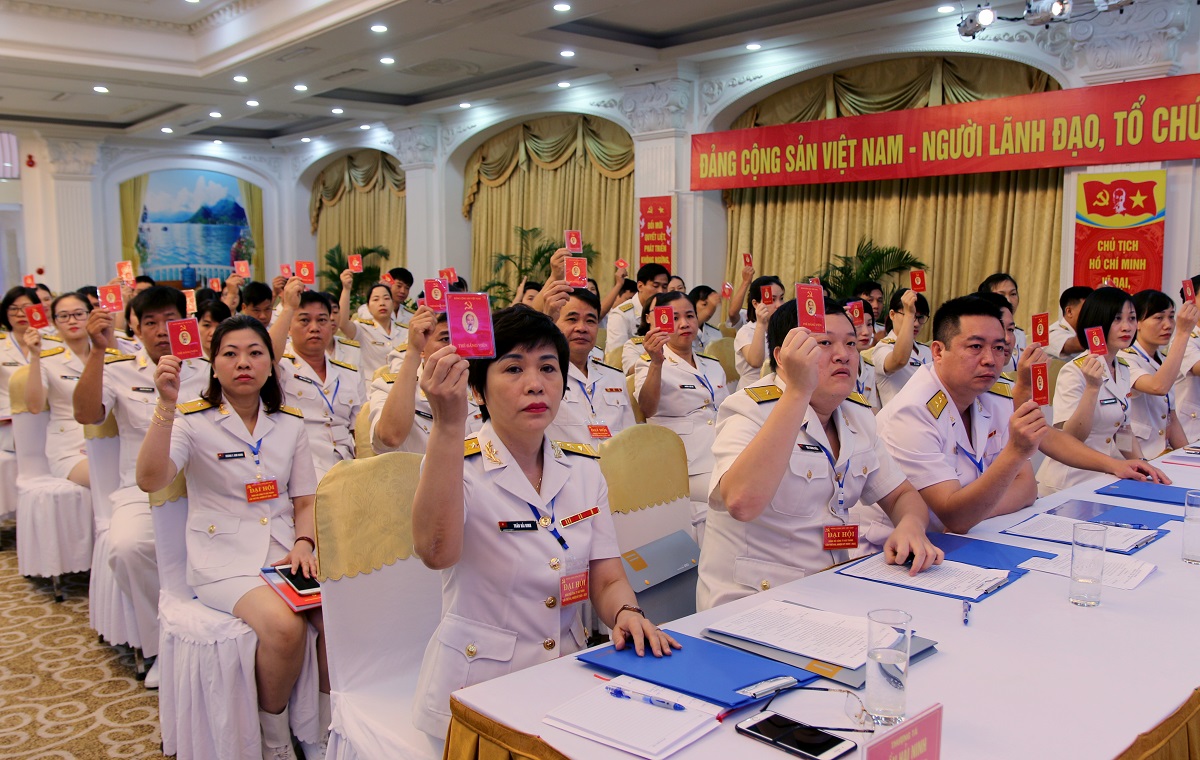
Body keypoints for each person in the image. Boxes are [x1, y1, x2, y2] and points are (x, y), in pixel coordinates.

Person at [410, 305, 679, 739]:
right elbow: (436, 553)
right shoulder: (455, 463)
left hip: (564, 674)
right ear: (478, 389)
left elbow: (607, 577)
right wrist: (447, 424)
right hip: (478, 690)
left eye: (549, 368)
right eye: (513, 368)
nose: (535, 383)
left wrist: (626, 612)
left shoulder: (584, 468)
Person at [135, 315, 328, 760]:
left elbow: (305, 500)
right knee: (284, 629)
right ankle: (274, 736)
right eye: (230, 353)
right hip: (223, 559)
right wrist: (165, 405)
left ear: (270, 365)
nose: (244, 362)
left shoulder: (289, 422)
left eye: (255, 353)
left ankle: (319, 727)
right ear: (213, 364)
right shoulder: (191, 420)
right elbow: (150, 479)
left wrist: (304, 543)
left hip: (283, 552)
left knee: (337, 619)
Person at [698, 299, 942, 610]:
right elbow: (741, 503)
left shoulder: (856, 414)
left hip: (830, 588)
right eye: (824, 343)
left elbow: (901, 496)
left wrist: (910, 526)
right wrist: (798, 391)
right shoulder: (749, 409)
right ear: (783, 357)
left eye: (851, 343)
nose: (844, 355)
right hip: (753, 601)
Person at [873, 296, 1167, 535]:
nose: (990, 359)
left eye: (999, 348)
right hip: (904, 552)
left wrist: (1116, 465)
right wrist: (1014, 456)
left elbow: (1037, 462)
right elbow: (956, 516)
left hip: (974, 534)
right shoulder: (913, 412)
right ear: (938, 351)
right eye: (975, 347)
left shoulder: (993, 392)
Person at [73, 286, 209, 689]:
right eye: (150, 322)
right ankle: (161, 644)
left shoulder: (208, 368)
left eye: (170, 319)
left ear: (185, 321)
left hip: (205, 484)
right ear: (135, 328)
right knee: (127, 548)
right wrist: (97, 351)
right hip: (142, 490)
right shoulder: (117, 368)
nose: (162, 330)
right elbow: (86, 413)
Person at [632, 292, 729, 539]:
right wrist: (656, 363)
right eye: (674, 318)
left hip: (721, 452)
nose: (685, 324)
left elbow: (725, 411)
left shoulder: (712, 364)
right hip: (685, 463)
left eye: (690, 316)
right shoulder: (650, 363)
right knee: (736, 492)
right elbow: (647, 408)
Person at [1037, 286, 1144, 492]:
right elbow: (1071, 438)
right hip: (1070, 480)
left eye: (1131, 318)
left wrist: (1143, 465)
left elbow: (1122, 430)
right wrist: (1092, 388)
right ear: (1098, 321)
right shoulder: (1074, 371)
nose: (1127, 327)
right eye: (1117, 319)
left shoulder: (1122, 368)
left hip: (1104, 476)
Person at [271, 282, 366, 480]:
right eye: (304, 321)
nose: (314, 328)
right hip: (299, 470)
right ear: (289, 327)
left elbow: (360, 429)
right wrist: (288, 307)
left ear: (331, 326)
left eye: (322, 320)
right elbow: (265, 357)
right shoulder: (281, 368)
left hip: (346, 468)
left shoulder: (348, 373)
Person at [368, 308, 485, 454]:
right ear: (422, 348)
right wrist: (413, 352)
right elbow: (390, 437)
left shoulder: (479, 387)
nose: (455, 347)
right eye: (445, 339)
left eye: (462, 340)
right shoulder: (389, 388)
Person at [23, 292, 95, 487]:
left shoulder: (108, 353)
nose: (72, 321)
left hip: (109, 438)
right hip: (70, 446)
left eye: (79, 314)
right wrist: (35, 356)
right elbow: (34, 406)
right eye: (63, 316)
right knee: (105, 477)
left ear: (90, 315)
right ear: (54, 322)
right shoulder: (46, 358)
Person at [547, 288, 636, 444]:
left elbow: (630, 436)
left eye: (590, 321)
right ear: (553, 324)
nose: (582, 328)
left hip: (613, 459)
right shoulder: (544, 376)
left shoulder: (615, 377)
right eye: (572, 319)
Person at [1122, 290, 1197, 458]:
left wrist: (1189, 458)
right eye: (1158, 318)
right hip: (1133, 455)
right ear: (1136, 322)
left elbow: (1172, 417)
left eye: (1171, 317)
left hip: (1160, 454)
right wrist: (1183, 333)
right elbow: (1158, 387)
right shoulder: (1124, 358)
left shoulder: (1162, 359)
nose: (1168, 325)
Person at [336, 272, 409, 379]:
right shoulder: (362, 328)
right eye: (376, 299)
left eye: (386, 298)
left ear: (392, 303)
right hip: (371, 386)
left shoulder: (405, 331)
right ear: (368, 307)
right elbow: (343, 323)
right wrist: (346, 289)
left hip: (399, 385)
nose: (382, 303)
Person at [872, 288, 931, 407]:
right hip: (899, 417)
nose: (916, 323)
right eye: (911, 316)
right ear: (892, 315)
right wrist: (909, 314)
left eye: (920, 317)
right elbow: (899, 360)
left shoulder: (925, 350)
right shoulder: (883, 348)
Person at [0, 286, 38, 454]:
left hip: (46, 421)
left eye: (26, 308)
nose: (21, 314)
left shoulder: (54, 346)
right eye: (14, 309)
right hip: (8, 423)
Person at [605, 263, 669, 353]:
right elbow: (616, 353)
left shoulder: (668, 311)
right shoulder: (621, 314)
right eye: (655, 286)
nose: (661, 291)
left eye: (664, 287)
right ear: (640, 286)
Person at [733, 276, 783, 390]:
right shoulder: (745, 332)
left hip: (777, 388)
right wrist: (761, 323)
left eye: (781, 298)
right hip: (752, 390)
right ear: (756, 304)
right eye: (773, 299)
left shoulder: (780, 329)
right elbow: (755, 361)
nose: (779, 305)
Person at [978, 273, 1024, 370]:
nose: (1008, 300)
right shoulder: (979, 331)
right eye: (1001, 295)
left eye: (1013, 294)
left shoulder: (1020, 334)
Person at [843, 299, 878, 409]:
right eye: (857, 325)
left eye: (869, 324)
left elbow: (873, 409)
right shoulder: (835, 364)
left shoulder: (870, 367)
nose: (866, 332)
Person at [1046, 286, 1092, 360]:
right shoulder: (1051, 333)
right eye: (1087, 310)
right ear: (1069, 312)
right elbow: (1076, 345)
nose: (1092, 314)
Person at [689, 285, 723, 353]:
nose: (710, 309)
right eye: (704, 304)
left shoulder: (716, 333)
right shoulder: (683, 331)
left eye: (714, 306)